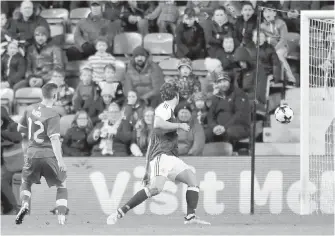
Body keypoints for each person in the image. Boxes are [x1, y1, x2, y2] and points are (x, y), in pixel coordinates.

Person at [106, 82, 210, 225]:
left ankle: (190, 217)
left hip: (171, 156)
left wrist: (147, 167)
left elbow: (151, 142)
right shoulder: (165, 107)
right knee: (155, 189)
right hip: (162, 156)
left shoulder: (169, 111)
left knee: (192, 179)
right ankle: (120, 212)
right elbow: (157, 124)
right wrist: (179, 125)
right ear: (176, 96)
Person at [16, 83, 67, 225]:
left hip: (31, 154)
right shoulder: (53, 115)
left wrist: (33, 137)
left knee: (25, 182)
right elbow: (55, 139)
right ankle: (61, 217)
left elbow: (20, 128)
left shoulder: (29, 109)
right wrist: (61, 161)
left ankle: (25, 203)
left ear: (42, 94)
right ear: (55, 96)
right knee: (62, 184)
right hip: (49, 155)